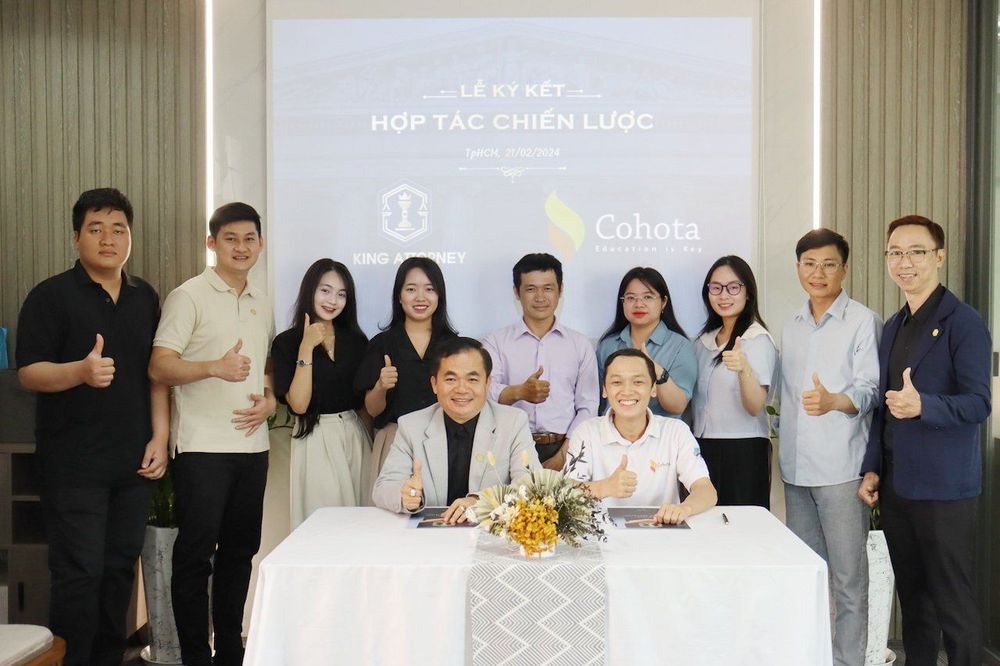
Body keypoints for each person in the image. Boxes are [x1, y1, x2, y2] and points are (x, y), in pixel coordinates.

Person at [16, 188, 167, 666]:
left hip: (131, 463)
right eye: (96, 229)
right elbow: (29, 373)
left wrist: (160, 437)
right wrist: (79, 372)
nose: (108, 239)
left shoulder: (145, 297)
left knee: (119, 570)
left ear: (130, 237)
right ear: (76, 237)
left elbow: (156, 374)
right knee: (79, 574)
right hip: (73, 464)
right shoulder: (50, 296)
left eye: (118, 229)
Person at [859, 215, 991, 666]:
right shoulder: (894, 325)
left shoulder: (963, 322)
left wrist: (925, 406)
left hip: (944, 489)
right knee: (914, 602)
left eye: (916, 252)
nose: (905, 262)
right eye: (895, 253)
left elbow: (979, 403)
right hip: (898, 486)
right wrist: (873, 467)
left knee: (952, 601)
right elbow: (883, 407)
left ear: (939, 256)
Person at [148, 202, 275, 666]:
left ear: (260, 244)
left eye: (249, 239)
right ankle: (195, 657)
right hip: (202, 448)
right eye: (230, 239)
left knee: (241, 553)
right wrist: (214, 367)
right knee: (195, 557)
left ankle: (231, 652)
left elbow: (266, 366)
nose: (241, 248)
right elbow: (159, 366)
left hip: (252, 448)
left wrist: (270, 400)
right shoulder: (189, 296)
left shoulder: (261, 299)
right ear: (212, 243)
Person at [780, 228, 881, 666]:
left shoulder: (863, 321)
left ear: (845, 268)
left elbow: (871, 389)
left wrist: (834, 401)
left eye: (828, 264)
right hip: (795, 470)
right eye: (809, 264)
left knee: (848, 580)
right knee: (809, 577)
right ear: (798, 268)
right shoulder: (791, 324)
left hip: (841, 469)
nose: (817, 273)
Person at [373, 337, 541, 523]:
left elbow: (531, 486)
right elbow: (383, 487)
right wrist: (406, 496)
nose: (461, 389)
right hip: (429, 535)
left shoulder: (513, 422)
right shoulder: (412, 425)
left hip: (490, 531)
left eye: (472, 379)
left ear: (487, 384)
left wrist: (479, 501)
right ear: (434, 384)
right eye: (451, 379)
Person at [563, 348, 717, 524]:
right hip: (601, 532)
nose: (627, 391)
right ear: (604, 389)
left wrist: (684, 508)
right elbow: (566, 491)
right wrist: (604, 487)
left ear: (653, 389)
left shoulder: (675, 431)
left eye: (638, 382)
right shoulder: (586, 432)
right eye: (616, 382)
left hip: (662, 530)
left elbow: (706, 490)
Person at [271, 259, 371, 527]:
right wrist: (306, 347)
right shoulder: (287, 342)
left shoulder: (356, 340)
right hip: (314, 434)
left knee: (361, 521)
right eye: (325, 290)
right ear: (310, 291)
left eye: (341, 294)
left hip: (354, 434)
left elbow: (364, 403)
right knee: (324, 524)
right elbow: (299, 405)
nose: (332, 301)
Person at [481, 253, 598, 470]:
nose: (540, 297)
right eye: (531, 289)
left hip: (566, 448)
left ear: (560, 290)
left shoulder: (580, 344)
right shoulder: (495, 342)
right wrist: (519, 392)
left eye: (548, 288)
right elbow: (484, 393)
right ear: (517, 292)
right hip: (509, 448)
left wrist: (564, 455)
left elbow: (588, 406)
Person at [355, 257, 458, 498]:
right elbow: (372, 410)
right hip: (394, 441)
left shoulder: (453, 346)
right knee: (391, 516)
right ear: (399, 297)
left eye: (429, 289)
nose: (420, 297)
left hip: (444, 440)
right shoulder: (382, 344)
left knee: (442, 514)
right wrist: (381, 386)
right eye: (411, 289)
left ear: (439, 296)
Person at [691, 255, 776, 508]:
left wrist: (743, 368)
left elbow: (755, 407)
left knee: (742, 526)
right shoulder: (702, 341)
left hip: (743, 450)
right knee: (704, 523)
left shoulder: (756, 339)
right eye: (716, 288)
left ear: (748, 293)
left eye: (733, 287)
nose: (724, 295)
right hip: (702, 447)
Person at [596, 266, 696, 419]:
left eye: (648, 297)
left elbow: (677, 406)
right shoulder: (607, 346)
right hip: (612, 432)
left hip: (661, 433)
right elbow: (597, 401)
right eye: (631, 298)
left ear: (663, 302)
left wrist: (656, 370)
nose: (639, 304)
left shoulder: (680, 346)